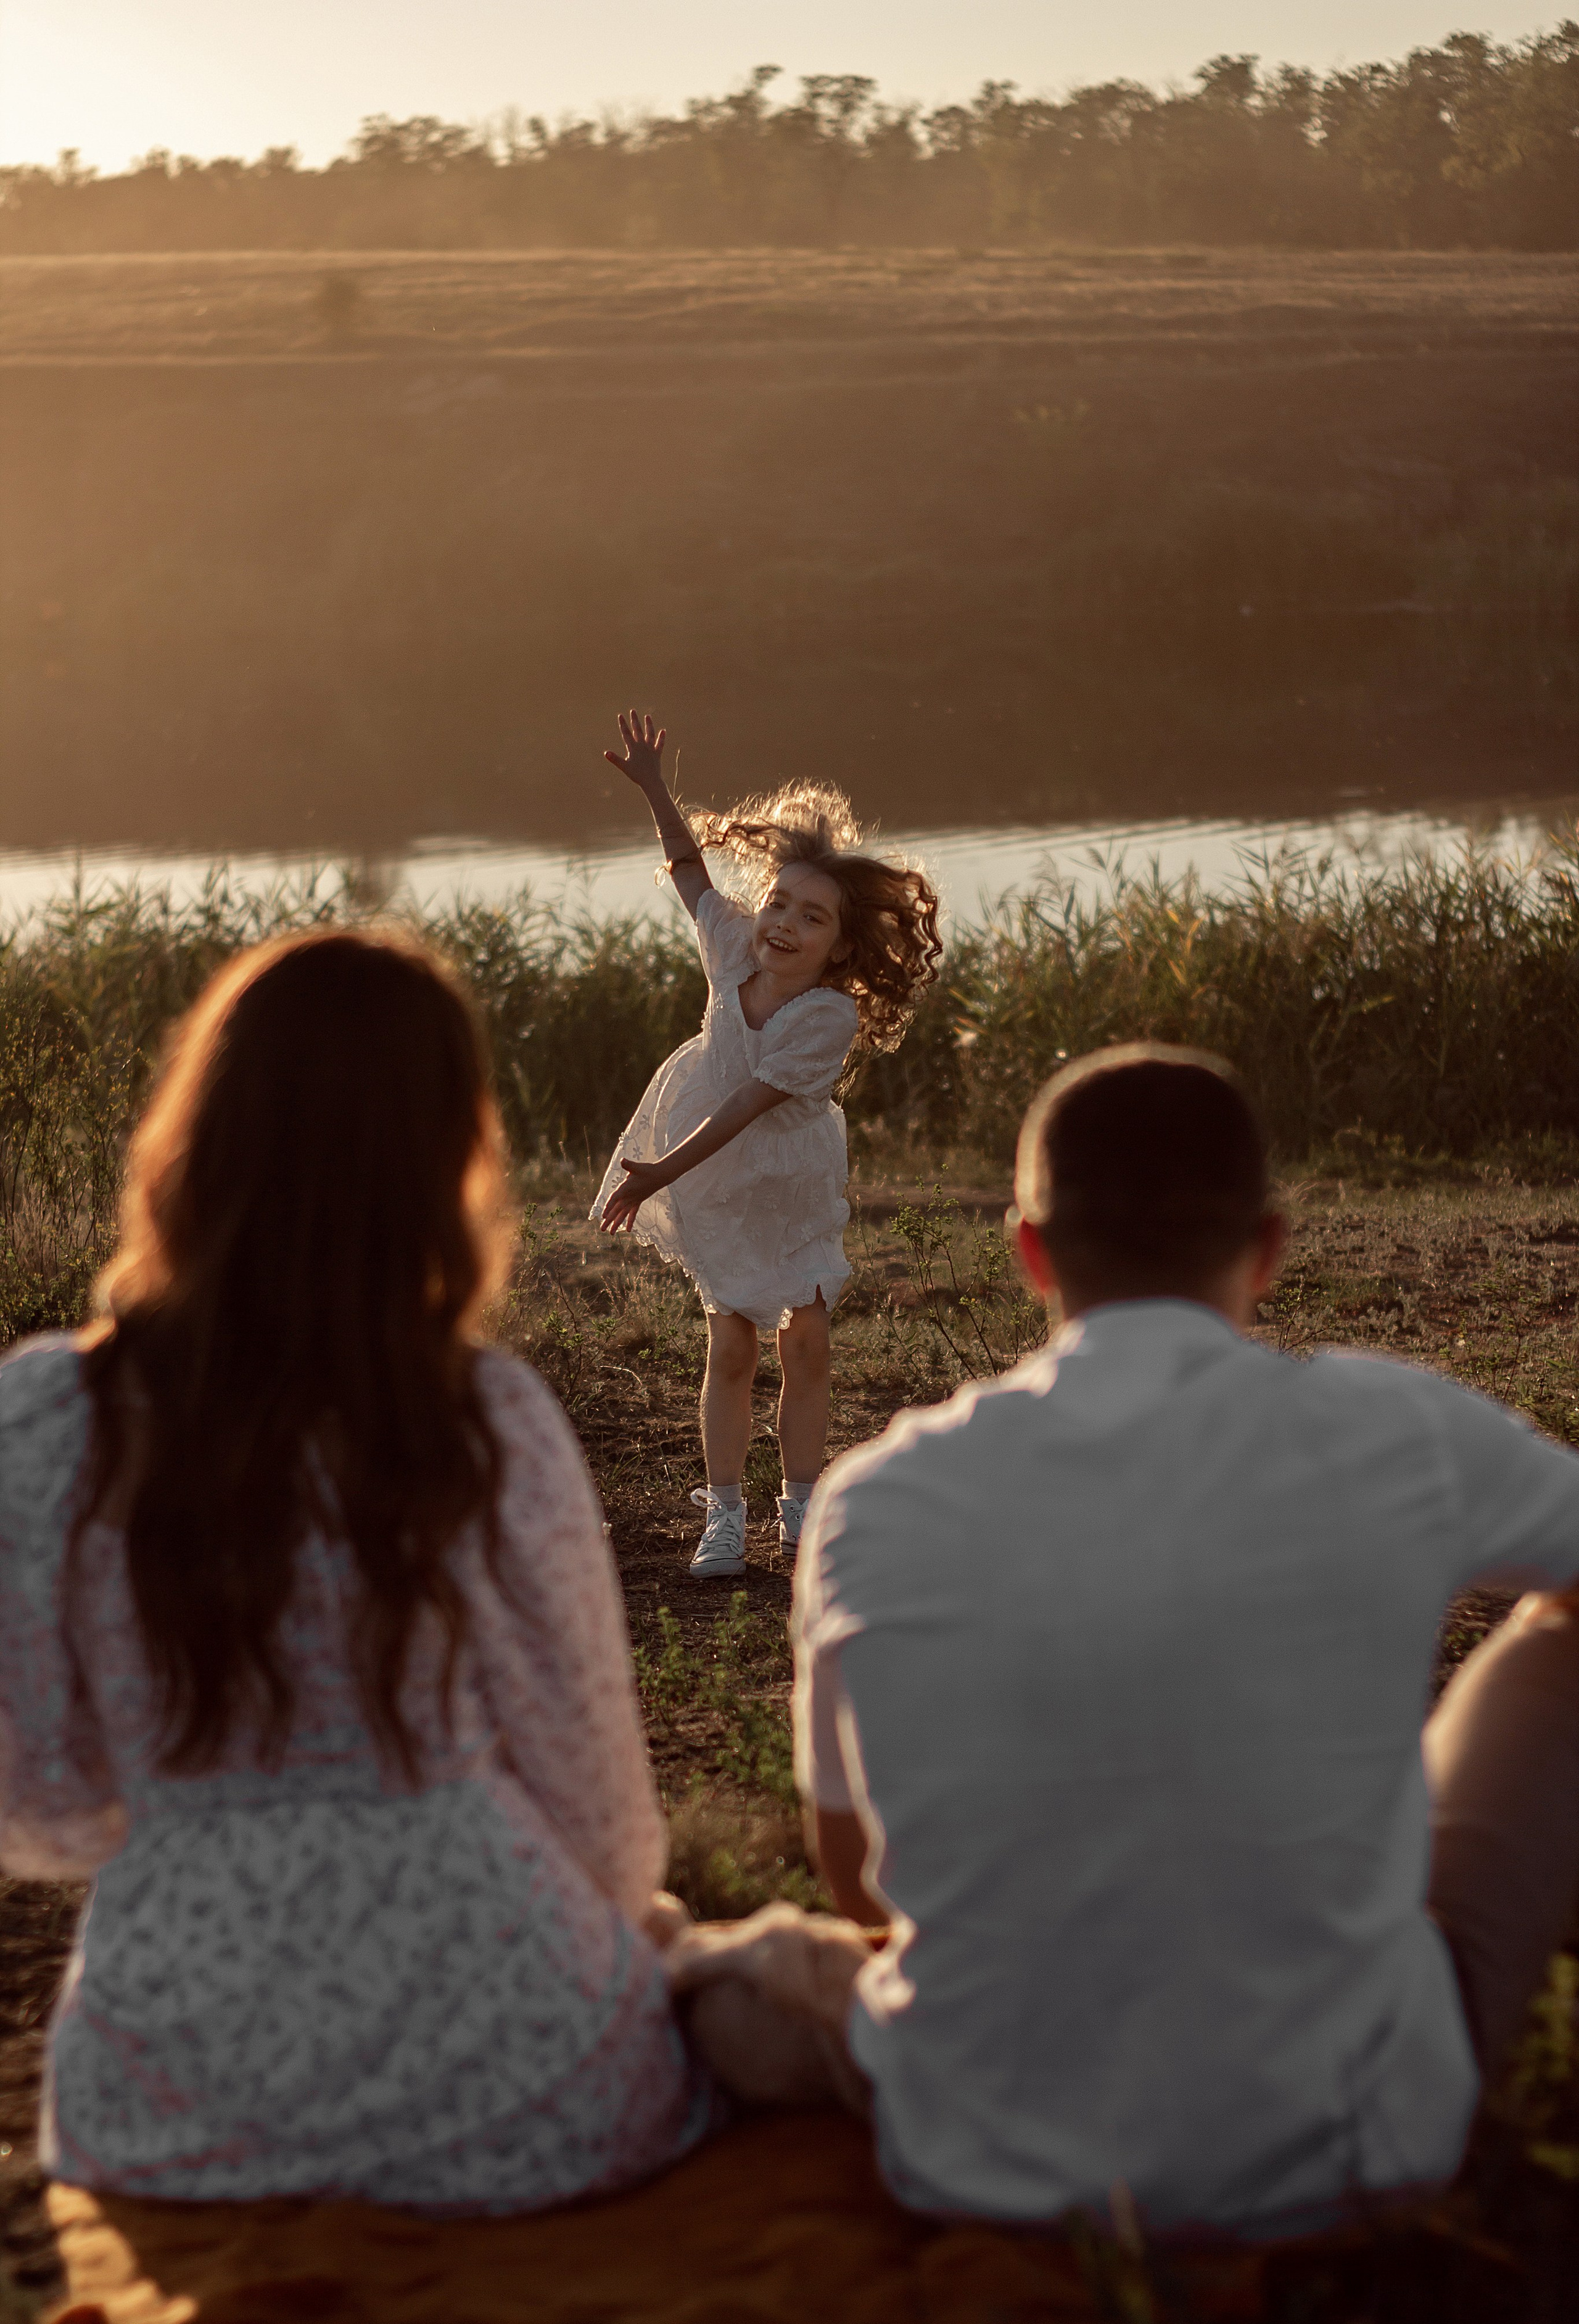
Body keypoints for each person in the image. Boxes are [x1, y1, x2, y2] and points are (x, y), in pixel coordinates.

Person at [777, 1043, 1579, 2238]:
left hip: (972, 2155)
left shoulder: (869, 1498)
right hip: (1352, 2145)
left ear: (1027, 1254)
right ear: (1267, 1247)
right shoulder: (1396, 1433)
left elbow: (856, 1878)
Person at [0, 929, 711, 2209]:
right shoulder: (480, 1418)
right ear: (443, 1163)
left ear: (194, 1137)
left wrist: (209, 1811)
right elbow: (607, 1833)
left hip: (173, 2113)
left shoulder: (49, 1416)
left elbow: (37, 1808)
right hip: (522, 2084)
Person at [591, 712, 941, 1577]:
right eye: (778, 901)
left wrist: (660, 1173)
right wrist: (656, 788)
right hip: (713, 1173)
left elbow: (751, 1104)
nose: (782, 921)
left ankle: (802, 1508)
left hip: (782, 1176)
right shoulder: (732, 949)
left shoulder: (827, 1014)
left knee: (806, 1342)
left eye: (810, 916)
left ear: (840, 946)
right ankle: (723, 1515)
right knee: (733, 1345)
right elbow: (687, 872)